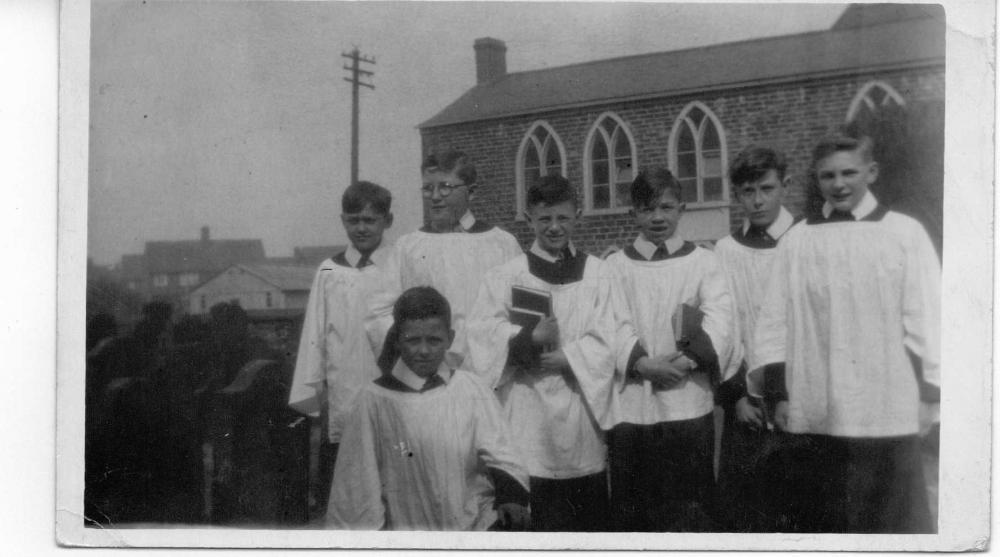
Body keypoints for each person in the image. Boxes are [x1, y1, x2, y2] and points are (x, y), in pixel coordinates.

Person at [750, 134, 940, 533]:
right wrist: (777, 393)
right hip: (818, 411)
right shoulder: (798, 241)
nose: (839, 184)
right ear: (816, 180)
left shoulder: (903, 233)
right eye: (827, 175)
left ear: (871, 172)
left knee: (891, 526)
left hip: (886, 409)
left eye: (849, 172)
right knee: (826, 523)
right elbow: (773, 321)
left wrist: (930, 394)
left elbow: (928, 318)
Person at [467, 174, 641, 532]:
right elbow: (482, 334)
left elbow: (613, 331)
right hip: (527, 410)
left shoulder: (599, 273)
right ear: (529, 218)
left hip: (580, 409)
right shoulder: (506, 275)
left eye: (563, 217)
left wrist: (571, 357)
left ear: (577, 215)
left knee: (585, 522)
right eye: (544, 219)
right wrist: (527, 339)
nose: (554, 227)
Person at [327, 286, 530, 531]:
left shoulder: (470, 388)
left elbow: (503, 452)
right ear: (397, 339)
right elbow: (356, 484)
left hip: (471, 524)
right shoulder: (373, 400)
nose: (423, 351)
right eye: (413, 340)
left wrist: (510, 497)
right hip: (405, 531)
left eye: (434, 340)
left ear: (450, 338)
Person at [603, 166, 735, 532]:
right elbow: (609, 321)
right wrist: (641, 364)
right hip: (633, 401)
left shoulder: (704, 262)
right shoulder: (615, 266)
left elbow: (720, 317)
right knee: (634, 509)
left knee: (689, 508)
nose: (657, 217)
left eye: (665, 207)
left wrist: (689, 360)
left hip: (687, 399)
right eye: (647, 209)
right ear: (634, 213)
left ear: (682, 208)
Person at [287, 180, 395, 516]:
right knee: (343, 483)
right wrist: (313, 386)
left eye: (370, 220)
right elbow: (315, 334)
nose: (361, 228)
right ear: (343, 220)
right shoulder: (330, 270)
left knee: (391, 466)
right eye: (353, 220)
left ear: (387, 221)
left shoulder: (398, 265)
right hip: (343, 386)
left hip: (387, 381)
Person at [367, 150, 523, 369]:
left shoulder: (502, 244)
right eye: (428, 188)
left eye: (445, 187)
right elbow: (379, 313)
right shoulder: (409, 247)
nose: (435, 196)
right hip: (426, 372)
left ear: (471, 192)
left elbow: (521, 311)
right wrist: (414, 352)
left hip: (491, 369)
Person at [712, 146, 799, 532]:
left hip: (800, 396)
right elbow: (724, 325)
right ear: (736, 195)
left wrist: (788, 393)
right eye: (748, 192)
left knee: (800, 505)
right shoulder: (726, 250)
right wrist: (736, 396)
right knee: (745, 512)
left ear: (785, 186)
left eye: (766, 188)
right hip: (747, 402)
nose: (758, 200)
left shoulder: (805, 240)